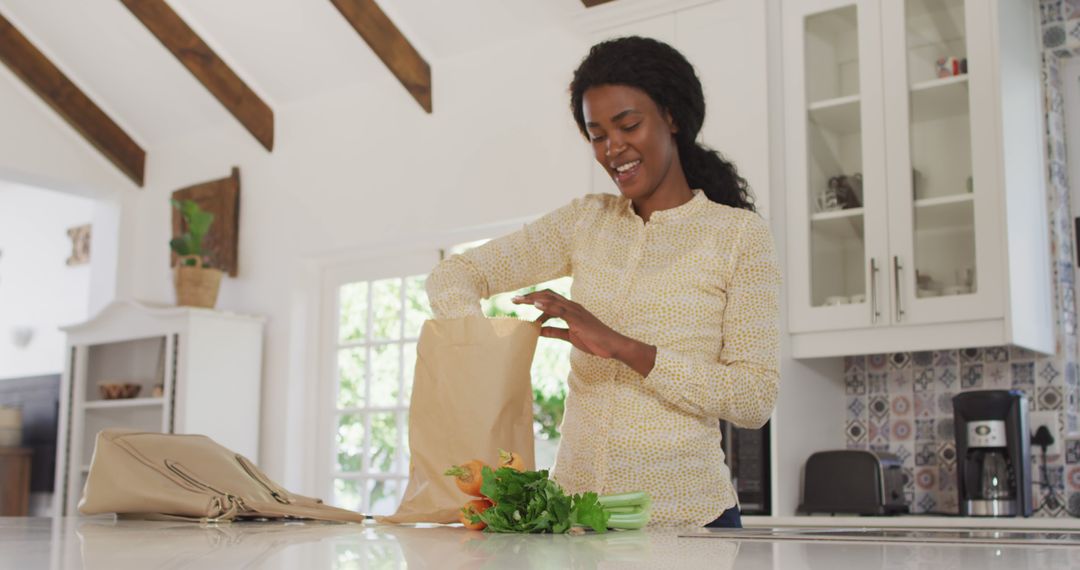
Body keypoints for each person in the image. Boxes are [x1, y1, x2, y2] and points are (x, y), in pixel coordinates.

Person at [425, 36, 780, 527]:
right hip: (575, 521)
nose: (613, 148)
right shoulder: (584, 223)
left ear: (672, 118)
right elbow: (456, 274)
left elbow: (753, 399)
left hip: (690, 522)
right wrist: (481, 352)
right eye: (596, 134)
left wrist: (623, 347)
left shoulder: (738, 236)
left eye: (628, 125)